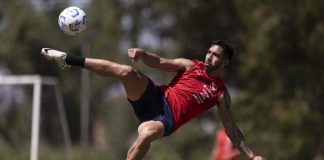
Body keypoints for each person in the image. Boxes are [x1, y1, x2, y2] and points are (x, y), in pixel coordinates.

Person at [40, 40, 265, 160]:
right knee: (126, 70)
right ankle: (68, 59)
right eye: (209, 52)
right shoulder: (191, 66)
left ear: (226, 63)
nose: (209, 56)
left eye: (216, 55)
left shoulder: (220, 93)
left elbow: (230, 127)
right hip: (155, 96)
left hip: (165, 119)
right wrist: (142, 54)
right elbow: (159, 62)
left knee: (146, 134)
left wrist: (252, 156)